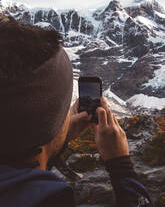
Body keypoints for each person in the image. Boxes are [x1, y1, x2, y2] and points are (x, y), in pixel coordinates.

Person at [0, 13, 153, 207]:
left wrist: (58, 139)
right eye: (63, 110)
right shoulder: (51, 200)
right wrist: (121, 165)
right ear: (49, 124)